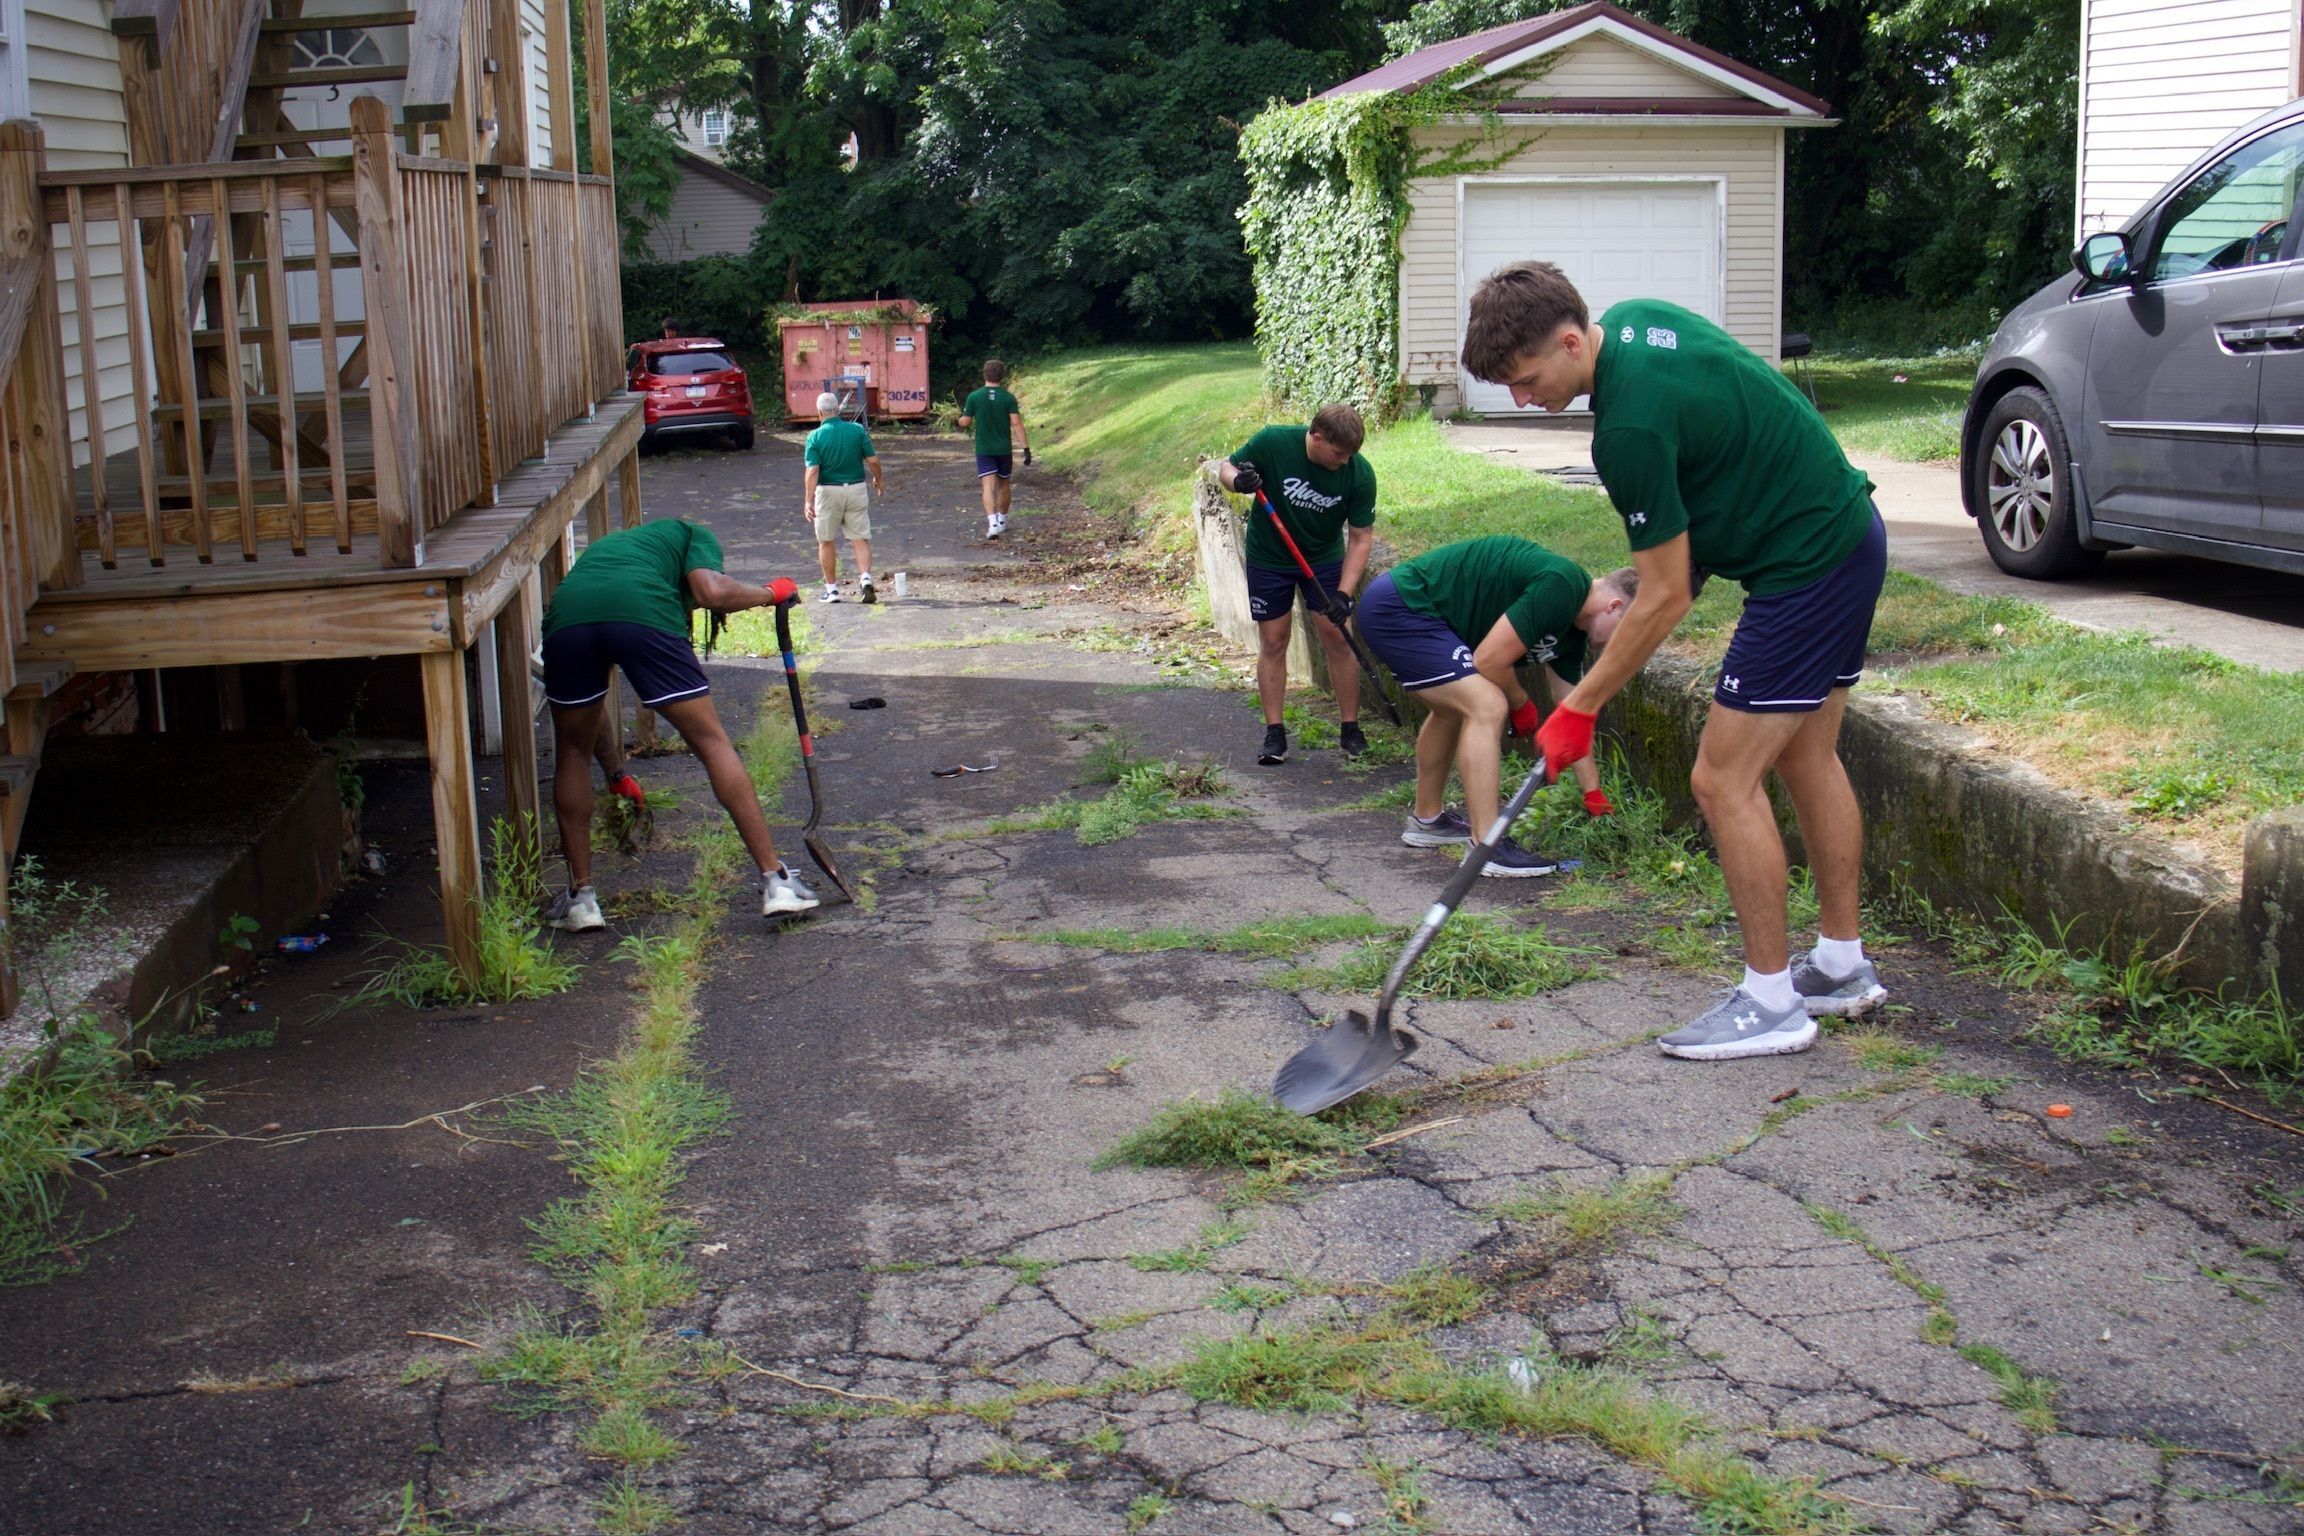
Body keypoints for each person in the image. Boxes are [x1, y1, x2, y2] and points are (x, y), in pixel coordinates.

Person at [1462, 260, 1889, 1062]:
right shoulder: (1635, 319)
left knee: (1721, 779)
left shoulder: (1625, 430)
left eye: (1525, 380)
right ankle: (1839, 966)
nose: (1522, 400)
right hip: (1849, 532)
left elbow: (1663, 597)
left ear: (1566, 339)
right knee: (1807, 753)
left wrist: (1579, 706)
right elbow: (1703, 493)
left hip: (1804, 568)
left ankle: (1771, 1003)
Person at [539, 518, 819, 929]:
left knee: (571, 751)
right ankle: (776, 882)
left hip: (568, 619)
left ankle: (580, 901)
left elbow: (593, 705)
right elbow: (712, 592)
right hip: (641, 610)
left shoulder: (613, 552)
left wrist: (616, 774)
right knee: (711, 742)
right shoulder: (694, 535)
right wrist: (770, 593)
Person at [1354, 535, 1633, 877]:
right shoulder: (1562, 584)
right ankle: (1486, 845)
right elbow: (1488, 660)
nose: (1617, 646)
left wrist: (1593, 792)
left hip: (1414, 614)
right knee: (1486, 704)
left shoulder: (1571, 635)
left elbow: (1573, 713)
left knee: (1453, 707)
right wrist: (1520, 702)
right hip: (1402, 606)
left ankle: (1427, 820)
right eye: (1625, 632)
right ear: (1615, 605)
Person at [1217, 405, 1376, 764]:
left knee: (1337, 635)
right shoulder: (1274, 442)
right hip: (1269, 557)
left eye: (1351, 454)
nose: (1345, 461)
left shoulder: (1359, 474)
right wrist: (1238, 482)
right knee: (1274, 640)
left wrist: (1343, 593)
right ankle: (1275, 734)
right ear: (1316, 437)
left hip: (1323, 560)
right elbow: (1228, 467)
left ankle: (1350, 729)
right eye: (1338, 453)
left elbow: (1362, 538)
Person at [803, 391, 884, 603]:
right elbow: (873, 460)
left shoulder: (814, 437)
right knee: (860, 538)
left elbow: (812, 471)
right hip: (856, 488)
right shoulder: (856, 430)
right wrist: (878, 480)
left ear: (819, 412)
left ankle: (832, 590)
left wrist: (808, 500)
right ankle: (865, 578)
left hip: (828, 491)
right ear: (838, 410)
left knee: (826, 540)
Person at [959, 359, 1029, 540]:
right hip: (1003, 449)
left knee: (988, 486)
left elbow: (965, 422)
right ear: (1002, 376)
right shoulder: (1008, 398)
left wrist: (957, 419)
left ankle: (992, 523)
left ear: (984, 374)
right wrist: (1026, 449)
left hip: (984, 449)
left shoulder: (974, 397)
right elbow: (1016, 423)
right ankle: (1003, 520)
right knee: (1004, 484)